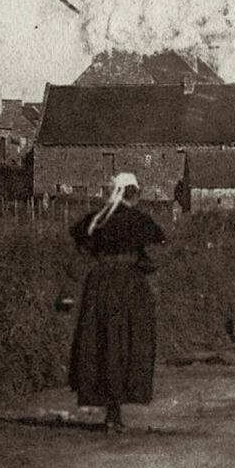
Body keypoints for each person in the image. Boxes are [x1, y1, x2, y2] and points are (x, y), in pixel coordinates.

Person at [68, 172, 166, 432]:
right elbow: (156, 250)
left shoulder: (97, 220)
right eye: (134, 193)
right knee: (128, 342)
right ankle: (116, 407)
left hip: (100, 286)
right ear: (128, 193)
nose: (136, 198)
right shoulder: (139, 221)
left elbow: (80, 240)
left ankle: (111, 410)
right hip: (129, 288)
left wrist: (101, 257)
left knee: (104, 342)